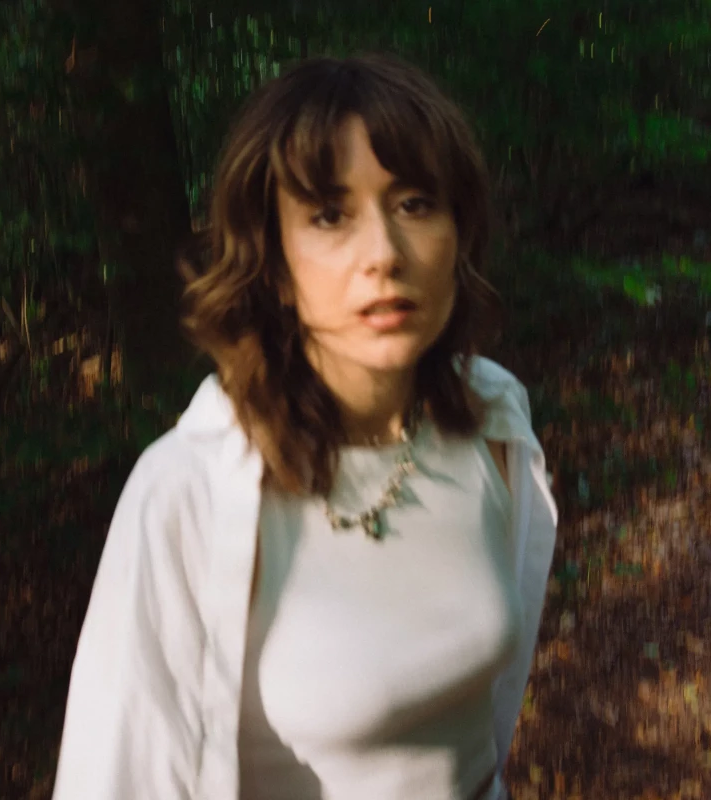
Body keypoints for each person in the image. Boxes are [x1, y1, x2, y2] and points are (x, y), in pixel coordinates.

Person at [51, 52, 557, 800]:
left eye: (415, 203)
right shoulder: (187, 493)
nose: (383, 254)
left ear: (461, 231)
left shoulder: (490, 420)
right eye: (329, 215)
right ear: (274, 264)